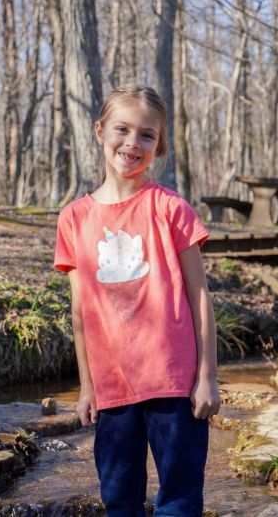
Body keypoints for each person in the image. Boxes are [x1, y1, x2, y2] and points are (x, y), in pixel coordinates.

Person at [53, 85, 221, 516]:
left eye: (147, 135)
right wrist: (87, 386)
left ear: (158, 144)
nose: (132, 143)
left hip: (174, 382)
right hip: (113, 390)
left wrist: (206, 377)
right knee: (119, 501)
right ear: (99, 131)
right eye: (122, 130)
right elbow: (80, 313)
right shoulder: (74, 218)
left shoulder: (170, 209)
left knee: (180, 502)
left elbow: (198, 295)